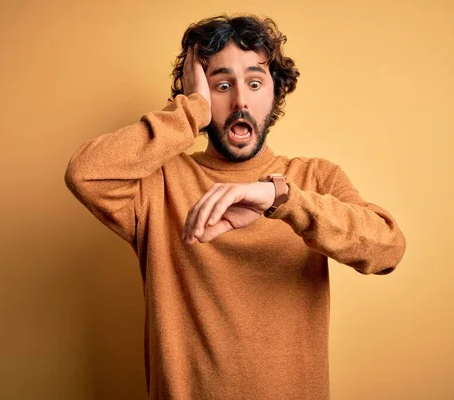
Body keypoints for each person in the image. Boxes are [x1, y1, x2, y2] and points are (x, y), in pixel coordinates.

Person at [65, 14, 406, 400]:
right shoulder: (157, 186)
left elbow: (387, 249)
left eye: (255, 82)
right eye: (222, 85)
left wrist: (282, 198)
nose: (240, 100)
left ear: (274, 94)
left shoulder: (314, 180)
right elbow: (85, 174)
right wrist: (189, 112)